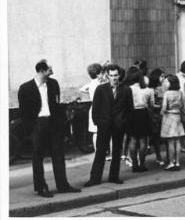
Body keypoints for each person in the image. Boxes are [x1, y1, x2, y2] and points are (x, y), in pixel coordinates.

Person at [19, 60, 81, 197]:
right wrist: (31, 129)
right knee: (38, 156)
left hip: (53, 123)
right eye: (49, 69)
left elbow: (57, 104)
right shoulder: (25, 88)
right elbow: (23, 113)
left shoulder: (53, 84)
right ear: (41, 71)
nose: (52, 70)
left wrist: (61, 121)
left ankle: (63, 185)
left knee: (58, 154)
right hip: (37, 124)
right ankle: (41, 187)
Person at [84, 64, 133, 187]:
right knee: (100, 151)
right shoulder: (101, 89)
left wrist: (124, 122)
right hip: (104, 125)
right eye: (111, 75)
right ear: (107, 76)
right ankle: (95, 178)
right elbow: (96, 108)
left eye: (116, 75)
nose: (114, 78)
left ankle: (114, 176)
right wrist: (98, 122)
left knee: (117, 151)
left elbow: (129, 108)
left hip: (119, 125)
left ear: (119, 75)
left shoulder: (126, 89)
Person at [126, 66, 153, 172]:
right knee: (143, 140)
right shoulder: (147, 90)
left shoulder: (128, 89)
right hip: (143, 113)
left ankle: (134, 164)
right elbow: (151, 104)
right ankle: (142, 163)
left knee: (132, 140)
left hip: (132, 113)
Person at [161, 74, 185, 171]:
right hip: (178, 116)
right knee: (178, 141)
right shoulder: (180, 93)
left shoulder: (167, 93)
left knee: (170, 141)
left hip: (169, 117)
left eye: (167, 81)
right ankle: (178, 162)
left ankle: (171, 162)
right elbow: (184, 106)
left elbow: (164, 108)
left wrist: (162, 112)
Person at [79, 63, 104, 153]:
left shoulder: (91, 84)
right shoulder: (101, 84)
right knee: (102, 131)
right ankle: (102, 150)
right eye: (102, 73)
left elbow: (81, 89)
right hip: (101, 108)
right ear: (98, 74)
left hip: (93, 107)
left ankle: (97, 150)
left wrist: (89, 93)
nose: (103, 74)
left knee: (95, 132)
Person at [147, 67, 166, 166]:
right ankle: (158, 156)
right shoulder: (152, 90)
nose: (163, 78)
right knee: (156, 138)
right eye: (161, 76)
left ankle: (164, 156)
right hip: (156, 115)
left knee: (162, 137)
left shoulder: (163, 88)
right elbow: (151, 104)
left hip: (160, 115)